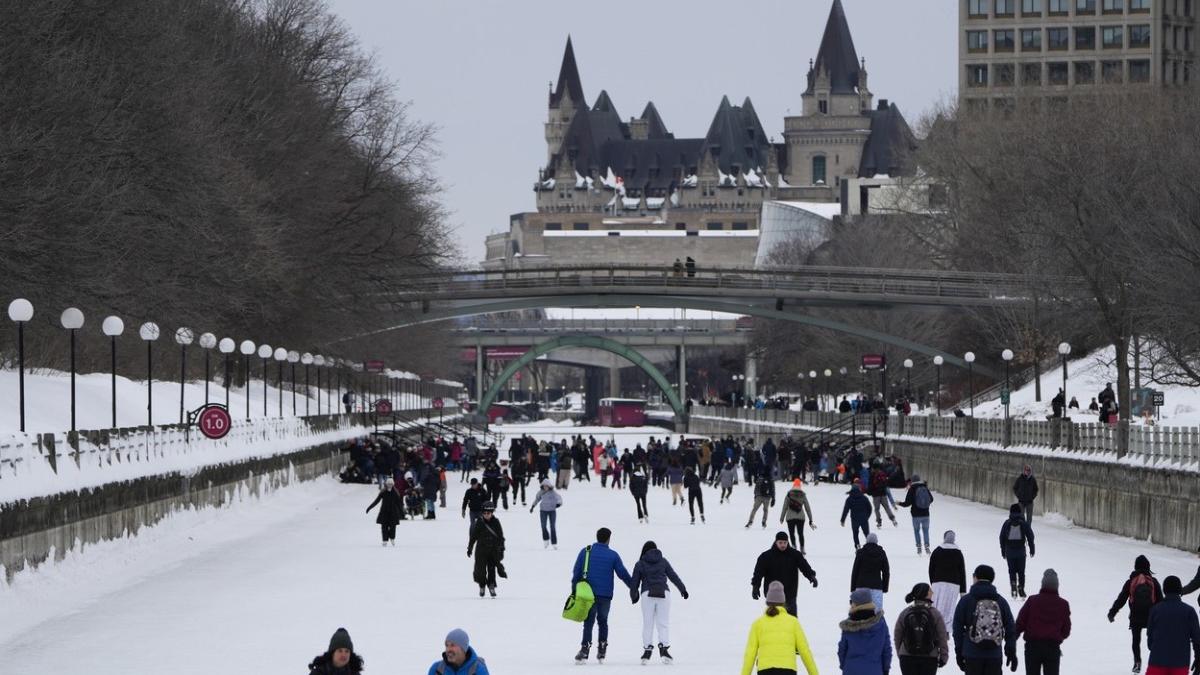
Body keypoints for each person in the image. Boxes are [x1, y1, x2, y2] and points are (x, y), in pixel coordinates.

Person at [572, 527, 633, 664]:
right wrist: (633, 587)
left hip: (588, 595)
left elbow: (576, 572)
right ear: (608, 539)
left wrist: (574, 591)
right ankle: (602, 649)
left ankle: (585, 649)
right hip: (605, 595)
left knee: (588, 622)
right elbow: (622, 573)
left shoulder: (585, 552)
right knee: (603, 621)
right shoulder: (613, 555)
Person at [740, 580, 819, 675]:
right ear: (783, 602)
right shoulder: (793, 622)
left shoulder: (758, 624)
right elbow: (805, 651)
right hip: (788, 670)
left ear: (768, 602)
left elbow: (750, 654)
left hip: (765, 671)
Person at [952, 564, 1018, 675]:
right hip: (994, 654)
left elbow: (957, 627)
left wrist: (959, 651)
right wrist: (1010, 650)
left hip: (972, 653)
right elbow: (1010, 627)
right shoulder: (1000, 601)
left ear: (975, 577)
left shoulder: (966, 600)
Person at [630, 541, 689, 664]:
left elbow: (634, 583)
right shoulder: (663, 561)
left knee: (648, 623)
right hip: (664, 594)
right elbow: (673, 576)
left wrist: (633, 596)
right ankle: (664, 649)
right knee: (663, 623)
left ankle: (647, 650)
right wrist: (683, 589)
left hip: (647, 594)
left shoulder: (640, 563)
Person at [1108, 555, 1165, 673]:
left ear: (1135, 566)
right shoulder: (1153, 582)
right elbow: (1160, 601)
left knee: (1136, 640)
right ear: (1148, 567)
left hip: (1136, 616)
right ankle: (1156, 661)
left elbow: (1121, 599)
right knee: (1154, 639)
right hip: (1151, 617)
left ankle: (1137, 662)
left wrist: (1112, 612)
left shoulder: (1131, 581)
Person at [1015, 569, 1071, 675]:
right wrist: (1058, 637)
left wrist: (1012, 638)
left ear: (1042, 584)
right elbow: (1066, 630)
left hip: (1032, 646)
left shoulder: (1032, 600)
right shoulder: (1063, 604)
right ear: (1057, 586)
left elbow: (1020, 622)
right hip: (1052, 647)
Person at [751, 531, 819, 618]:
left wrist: (811, 576)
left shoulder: (795, 555)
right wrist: (755, 586)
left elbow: (804, 566)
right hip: (773, 595)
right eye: (780, 543)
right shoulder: (766, 556)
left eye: (785, 542)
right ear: (776, 542)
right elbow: (758, 573)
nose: (783, 545)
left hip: (790, 594)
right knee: (774, 620)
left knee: (791, 619)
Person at [1146, 575, 1200, 675]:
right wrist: (1198, 658)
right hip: (1180, 664)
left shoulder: (1155, 610)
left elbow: (1150, 639)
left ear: (1164, 590)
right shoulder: (1189, 611)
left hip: (1157, 661)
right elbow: (1197, 639)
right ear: (1179, 590)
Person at [894, 583, 950, 675]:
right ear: (925, 594)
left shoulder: (905, 612)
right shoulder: (935, 613)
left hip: (907, 657)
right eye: (930, 591)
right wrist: (944, 656)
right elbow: (942, 636)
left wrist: (900, 652)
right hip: (929, 657)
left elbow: (897, 635)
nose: (932, 592)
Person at [838, 587, 894, 675]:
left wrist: (845, 666)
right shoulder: (881, 624)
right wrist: (885, 669)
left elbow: (842, 650)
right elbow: (886, 650)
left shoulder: (849, 625)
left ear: (855, 604)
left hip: (851, 670)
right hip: (875, 671)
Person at [466, 502, 505, 598]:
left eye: (488, 513)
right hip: (481, 550)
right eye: (484, 513)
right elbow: (474, 536)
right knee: (480, 570)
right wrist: (470, 547)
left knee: (491, 570)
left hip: (493, 550)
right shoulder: (479, 522)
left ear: (492, 513)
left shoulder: (496, 522)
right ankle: (482, 585)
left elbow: (500, 536)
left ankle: (491, 586)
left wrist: (501, 548)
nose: (486, 515)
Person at [929, 530, 967, 625]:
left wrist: (933, 582)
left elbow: (931, 568)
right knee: (949, 608)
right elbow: (962, 572)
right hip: (953, 584)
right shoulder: (958, 553)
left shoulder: (937, 550)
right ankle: (945, 628)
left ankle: (934, 626)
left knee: (936, 605)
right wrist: (963, 591)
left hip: (938, 583)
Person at [1000, 503, 1036, 598]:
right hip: (1021, 552)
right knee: (1021, 572)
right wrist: (1032, 548)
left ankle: (1013, 585)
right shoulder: (1023, 523)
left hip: (1009, 551)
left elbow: (1001, 537)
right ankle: (1021, 588)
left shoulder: (1007, 523)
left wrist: (1003, 550)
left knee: (1012, 571)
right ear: (1020, 512)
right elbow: (1030, 536)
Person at [850, 533, 891, 615]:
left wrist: (853, 588)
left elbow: (855, 571)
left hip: (861, 586)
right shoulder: (881, 553)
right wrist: (885, 587)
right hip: (876, 586)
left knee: (859, 611)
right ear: (876, 541)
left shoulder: (860, 553)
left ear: (867, 541)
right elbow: (886, 572)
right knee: (877, 612)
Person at [897, 473, 934, 555]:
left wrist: (899, 503)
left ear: (912, 481)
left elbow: (907, 503)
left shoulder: (912, 489)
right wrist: (925, 504)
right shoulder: (925, 487)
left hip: (916, 515)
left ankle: (919, 547)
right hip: (926, 514)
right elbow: (931, 499)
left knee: (916, 531)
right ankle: (927, 546)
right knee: (926, 531)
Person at [779, 479, 816, 553]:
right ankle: (802, 548)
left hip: (790, 517)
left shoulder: (789, 494)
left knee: (791, 533)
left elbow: (784, 507)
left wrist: (782, 518)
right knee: (800, 533)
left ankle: (794, 546)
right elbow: (807, 508)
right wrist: (810, 519)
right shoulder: (803, 495)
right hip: (800, 517)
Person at [366, 478, 404, 544]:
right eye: (388, 484)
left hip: (393, 513)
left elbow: (399, 503)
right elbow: (376, 501)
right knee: (384, 527)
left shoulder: (395, 492)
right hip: (384, 512)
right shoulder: (383, 492)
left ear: (393, 484)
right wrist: (369, 507)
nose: (390, 485)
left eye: (391, 484)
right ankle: (385, 540)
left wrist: (402, 512)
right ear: (386, 484)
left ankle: (392, 538)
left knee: (393, 527)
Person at [529, 478, 563, 549]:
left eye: (546, 486)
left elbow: (559, 498)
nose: (545, 487)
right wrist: (532, 506)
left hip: (552, 511)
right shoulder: (540, 492)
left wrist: (558, 504)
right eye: (544, 486)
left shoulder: (553, 492)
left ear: (549, 486)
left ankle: (554, 543)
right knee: (543, 526)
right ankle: (546, 539)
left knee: (552, 527)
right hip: (543, 511)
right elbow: (537, 499)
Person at [841, 484, 873, 550]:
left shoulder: (849, 499)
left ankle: (857, 545)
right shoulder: (864, 498)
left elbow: (845, 510)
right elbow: (869, 508)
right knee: (867, 534)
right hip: (864, 519)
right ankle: (870, 546)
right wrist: (867, 516)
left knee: (855, 534)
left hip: (854, 519)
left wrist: (842, 520)